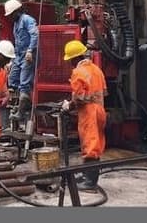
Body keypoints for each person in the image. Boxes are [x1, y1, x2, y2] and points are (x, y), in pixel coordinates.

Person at [60, 39, 107, 191]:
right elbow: (103, 92)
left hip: (89, 113)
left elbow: (79, 97)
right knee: (96, 143)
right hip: (100, 110)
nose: (70, 63)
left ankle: (90, 182)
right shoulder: (96, 70)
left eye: (70, 60)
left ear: (75, 58)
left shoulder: (78, 72)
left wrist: (69, 105)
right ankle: (87, 175)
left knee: (90, 145)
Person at [4, 0, 39, 124]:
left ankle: (21, 111)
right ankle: (18, 103)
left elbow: (35, 34)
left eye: (11, 14)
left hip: (27, 55)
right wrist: (12, 60)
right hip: (19, 56)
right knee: (12, 79)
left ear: (17, 11)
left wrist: (30, 50)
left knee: (24, 82)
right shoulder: (16, 24)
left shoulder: (27, 20)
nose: (10, 17)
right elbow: (17, 42)